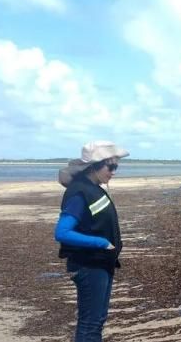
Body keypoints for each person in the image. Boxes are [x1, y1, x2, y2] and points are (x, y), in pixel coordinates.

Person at [54, 141, 129, 342]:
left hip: (102, 264)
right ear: (93, 167)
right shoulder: (80, 192)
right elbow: (62, 232)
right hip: (89, 265)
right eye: (110, 167)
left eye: (116, 167)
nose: (114, 172)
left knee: (97, 320)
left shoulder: (93, 188)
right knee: (90, 324)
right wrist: (101, 243)